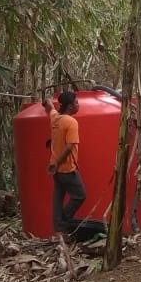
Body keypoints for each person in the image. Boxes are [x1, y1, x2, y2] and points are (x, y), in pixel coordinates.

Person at [43, 91, 86, 235]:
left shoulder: (56, 118)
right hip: (67, 168)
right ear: (69, 106)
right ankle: (64, 222)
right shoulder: (71, 121)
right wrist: (57, 162)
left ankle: (58, 228)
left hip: (56, 170)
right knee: (80, 195)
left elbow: (50, 108)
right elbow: (69, 146)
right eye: (76, 103)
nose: (78, 105)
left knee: (58, 198)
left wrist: (47, 102)